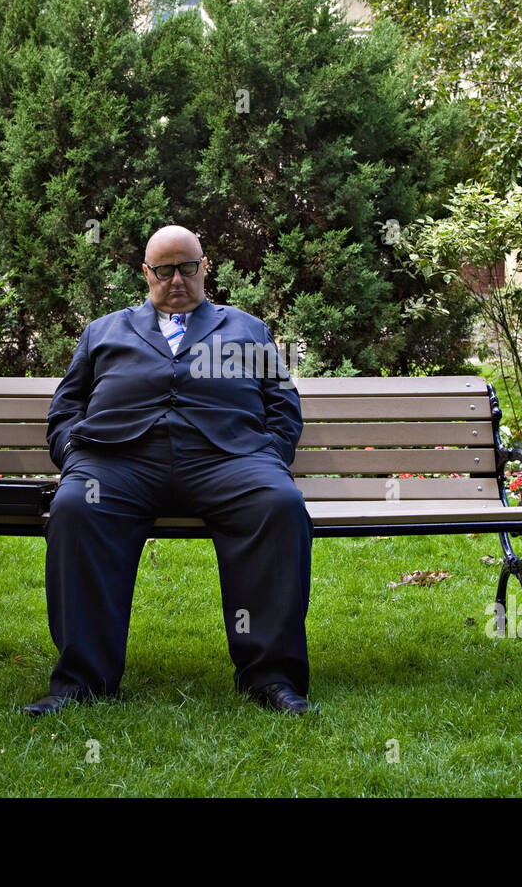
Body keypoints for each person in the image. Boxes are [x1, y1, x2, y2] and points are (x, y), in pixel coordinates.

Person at [22, 225, 315, 716]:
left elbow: (283, 406)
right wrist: (75, 457)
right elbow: (66, 408)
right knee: (75, 507)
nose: (176, 279)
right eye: (164, 270)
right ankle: (82, 682)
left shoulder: (248, 329)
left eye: (187, 267)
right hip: (120, 463)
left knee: (279, 504)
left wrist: (266, 454)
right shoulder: (103, 331)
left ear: (205, 267)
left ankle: (271, 678)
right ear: (146, 273)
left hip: (227, 461)